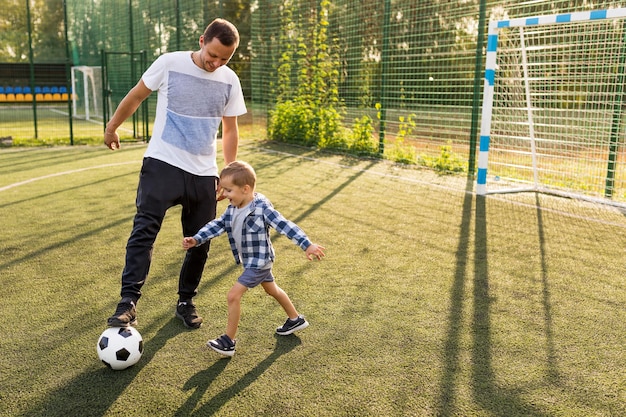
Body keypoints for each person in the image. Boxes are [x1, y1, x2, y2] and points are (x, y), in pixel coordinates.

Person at [104, 18, 247, 330]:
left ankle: (186, 300)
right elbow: (137, 94)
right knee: (144, 231)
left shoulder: (229, 80)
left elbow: (231, 129)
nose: (216, 62)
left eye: (225, 58)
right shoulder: (169, 63)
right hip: (162, 164)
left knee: (200, 241)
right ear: (201, 41)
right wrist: (112, 126)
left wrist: (227, 175)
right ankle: (128, 302)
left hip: (204, 174)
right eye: (213, 54)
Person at [182, 161, 325, 357]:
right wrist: (197, 239)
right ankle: (295, 319)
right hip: (251, 261)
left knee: (233, 295)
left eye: (229, 190)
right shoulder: (233, 208)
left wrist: (306, 244)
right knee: (272, 289)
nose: (224, 194)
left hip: (259, 262)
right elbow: (218, 225)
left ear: (245, 189)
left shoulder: (261, 208)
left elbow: (284, 225)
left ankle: (228, 341)